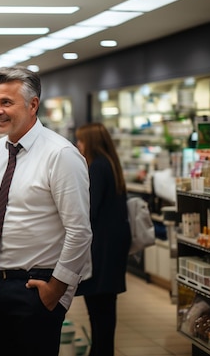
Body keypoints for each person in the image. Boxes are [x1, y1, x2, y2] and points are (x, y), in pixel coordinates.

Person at [0, 66, 93, 356]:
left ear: (33, 104)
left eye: (6, 103)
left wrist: (56, 290)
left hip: (34, 289)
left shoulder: (60, 155)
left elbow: (80, 231)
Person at [74, 122, 132, 356]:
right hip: (113, 245)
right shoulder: (111, 164)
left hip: (102, 248)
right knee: (106, 307)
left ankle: (100, 351)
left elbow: (90, 209)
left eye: (80, 141)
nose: (78, 145)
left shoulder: (97, 167)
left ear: (90, 143)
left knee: (98, 308)